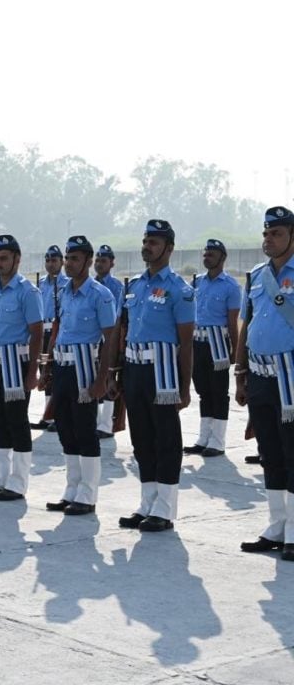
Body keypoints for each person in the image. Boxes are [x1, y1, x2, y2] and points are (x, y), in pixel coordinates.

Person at [115, 219, 194, 532]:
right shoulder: (134, 285)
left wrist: (185, 388)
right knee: (141, 440)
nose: (147, 246)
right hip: (135, 370)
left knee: (166, 440)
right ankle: (147, 503)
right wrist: (118, 373)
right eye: (146, 240)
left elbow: (185, 342)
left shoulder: (180, 290)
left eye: (155, 242)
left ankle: (164, 508)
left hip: (163, 372)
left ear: (169, 249)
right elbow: (127, 332)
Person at [40, 236, 117, 516]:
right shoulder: (63, 292)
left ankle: (87, 495)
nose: (68, 263)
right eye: (67, 258)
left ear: (87, 261)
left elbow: (110, 338)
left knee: (85, 431)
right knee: (65, 430)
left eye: (74, 259)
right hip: (62, 368)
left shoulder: (100, 295)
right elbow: (58, 329)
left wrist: (102, 378)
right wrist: (47, 365)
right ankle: (71, 489)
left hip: (85, 369)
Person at [236, 206, 294, 558]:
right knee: (269, 454)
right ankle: (276, 525)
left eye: (276, 233)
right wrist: (240, 373)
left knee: (292, 454)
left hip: (291, 377)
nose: (268, 239)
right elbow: (246, 325)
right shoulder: (256, 276)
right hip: (259, 375)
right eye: (266, 233)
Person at [0, 234, 43, 501]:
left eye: (3, 258)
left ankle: (18, 482)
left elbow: (37, 333)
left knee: (17, 422)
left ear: (17, 259)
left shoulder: (27, 291)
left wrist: (32, 370)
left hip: (16, 363)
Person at [184, 239, 240, 457]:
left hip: (218, 343)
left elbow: (232, 322)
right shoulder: (197, 282)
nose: (207, 258)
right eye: (205, 254)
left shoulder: (231, 286)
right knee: (203, 391)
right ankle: (203, 438)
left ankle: (218, 441)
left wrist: (235, 351)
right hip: (198, 342)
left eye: (212, 254)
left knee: (218, 392)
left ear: (222, 258)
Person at [35, 245, 70, 431]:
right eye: (47, 260)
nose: (50, 264)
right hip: (43, 332)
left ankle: (58, 415)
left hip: (58, 332)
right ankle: (48, 416)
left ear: (62, 262)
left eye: (54, 260)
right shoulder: (40, 284)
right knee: (45, 372)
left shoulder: (67, 283)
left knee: (57, 374)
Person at [93, 244, 123, 438]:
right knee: (95, 379)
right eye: (97, 260)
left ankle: (107, 424)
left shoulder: (118, 287)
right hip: (94, 339)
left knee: (109, 379)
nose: (99, 264)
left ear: (112, 263)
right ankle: (96, 422)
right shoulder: (89, 284)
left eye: (103, 261)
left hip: (110, 339)